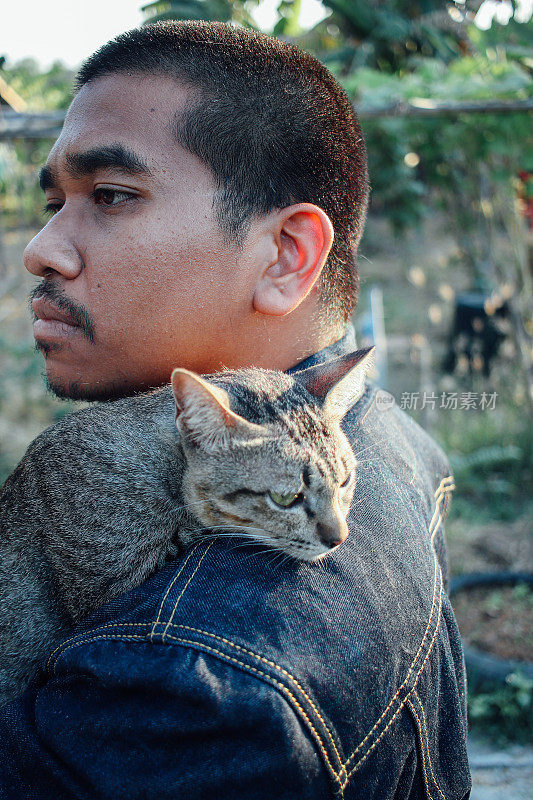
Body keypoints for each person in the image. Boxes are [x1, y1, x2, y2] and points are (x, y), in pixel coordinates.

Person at [0, 20, 471, 799]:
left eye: (111, 195)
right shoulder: (380, 430)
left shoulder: (187, 681)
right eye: (54, 201)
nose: (41, 249)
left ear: (286, 256)